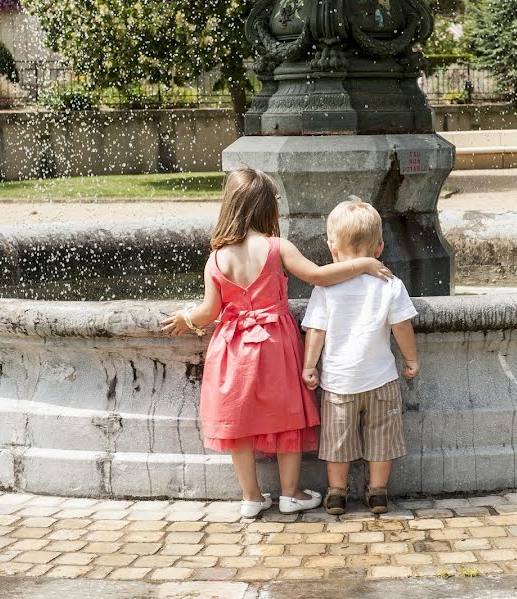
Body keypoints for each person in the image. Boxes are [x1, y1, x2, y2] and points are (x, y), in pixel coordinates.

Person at [160, 170, 392, 518]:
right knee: (287, 419)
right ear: (266, 207)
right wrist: (363, 264)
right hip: (276, 343)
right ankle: (290, 494)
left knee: (237, 422)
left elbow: (210, 311)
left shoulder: (217, 258)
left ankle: (251, 498)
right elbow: (316, 275)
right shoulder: (276, 247)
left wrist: (187, 318)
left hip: (233, 348)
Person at [301, 197, 419, 515]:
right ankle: (378, 492)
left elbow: (316, 330)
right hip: (381, 378)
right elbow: (401, 326)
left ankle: (337, 493)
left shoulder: (325, 288)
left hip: (339, 381)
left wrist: (310, 366)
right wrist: (411, 359)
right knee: (382, 437)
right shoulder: (390, 284)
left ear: (332, 248)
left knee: (337, 439)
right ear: (379, 248)